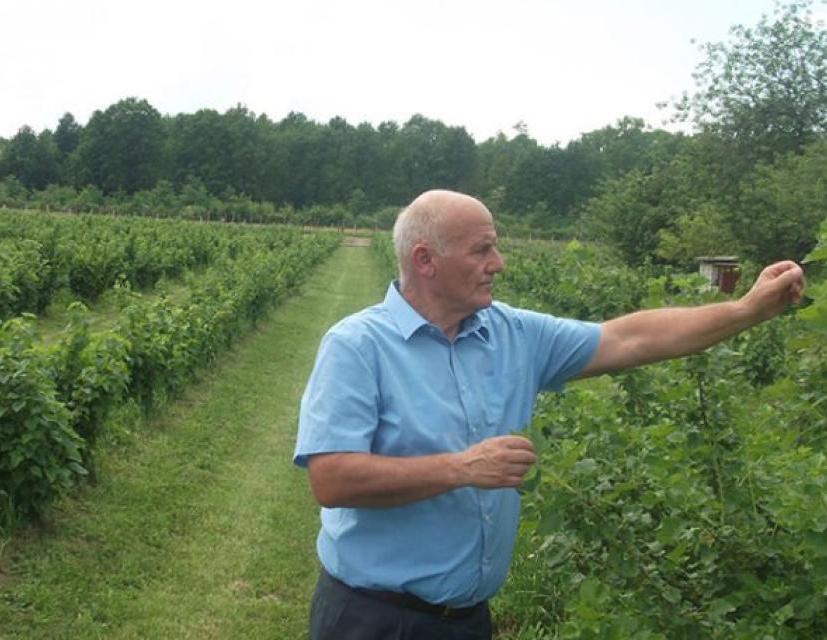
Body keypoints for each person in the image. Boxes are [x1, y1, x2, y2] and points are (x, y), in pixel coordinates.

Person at [293, 189, 805, 640]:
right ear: (425, 260)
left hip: (468, 620)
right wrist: (460, 468)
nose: (499, 263)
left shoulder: (513, 334)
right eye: (481, 250)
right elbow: (333, 478)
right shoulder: (358, 346)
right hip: (376, 620)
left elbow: (629, 338)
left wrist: (746, 311)